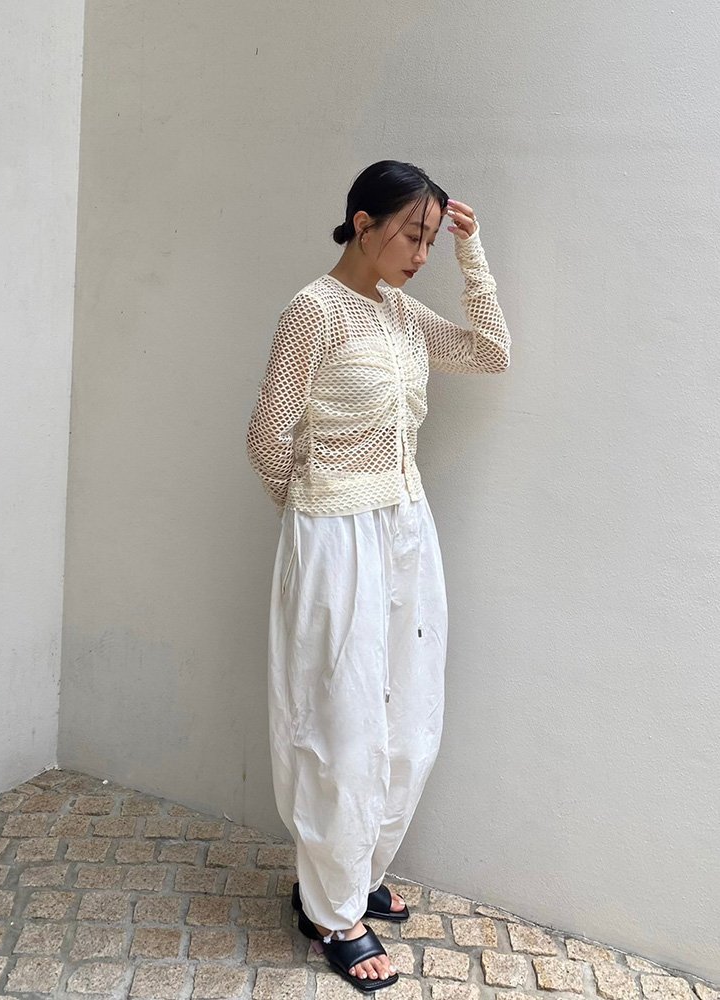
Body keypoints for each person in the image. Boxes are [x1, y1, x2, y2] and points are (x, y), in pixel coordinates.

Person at [246, 160, 511, 992]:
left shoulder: (400, 311)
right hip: (335, 536)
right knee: (341, 725)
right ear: (363, 223)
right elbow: (267, 436)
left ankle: (352, 873)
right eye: (412, 236)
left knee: (408, 714)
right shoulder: (314, 311)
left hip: (406, 529)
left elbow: (491, 353)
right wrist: (316, 516)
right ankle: (330, 911)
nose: (421, 254)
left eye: (431, 239)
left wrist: (472, 254)